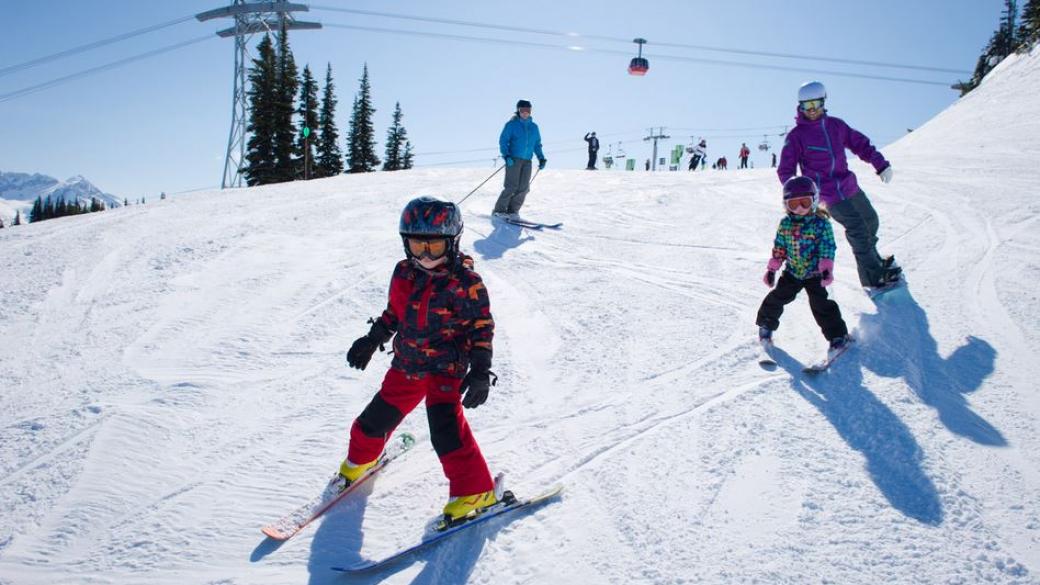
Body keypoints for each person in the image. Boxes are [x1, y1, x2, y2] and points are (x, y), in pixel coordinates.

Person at [343, 196, 499, 526]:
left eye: (434, 247)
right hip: (407, 366)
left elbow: (481, 328)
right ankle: (360, 463)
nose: (425, 256)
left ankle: (476, 492)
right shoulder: (404, 273)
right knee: (372, 422)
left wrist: (481, 370)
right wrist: (372, 340)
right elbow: (394, 314)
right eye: (417, 246)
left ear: (452, 243)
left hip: (445, 370)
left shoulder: (465, 283)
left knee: (446, 433)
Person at [778, 80, 900, 289]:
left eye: (816, 104)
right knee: (858, 229)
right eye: (807, 106)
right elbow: (785, 169)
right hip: (826, 195)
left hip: (848, 186)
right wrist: (797, 194)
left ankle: (874, 261)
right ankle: (872, 276)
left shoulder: (836, 126)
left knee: (870, 221)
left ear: (824, 102)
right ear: (800, 107)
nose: (812, 110)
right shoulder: (797, 136)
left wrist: (880, 164)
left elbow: (859, 144)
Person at [757, 176, 850, 351]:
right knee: (776, 298)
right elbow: (780, 247)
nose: (799, 209)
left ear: (814, 201)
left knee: (821, 305)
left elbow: (827, 246)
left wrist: (826, 268)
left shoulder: (821, 223)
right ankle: (766, 326)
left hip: (814, 274)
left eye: (804, 203)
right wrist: (772, 269)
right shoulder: (785, 224)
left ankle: (837, 335)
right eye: (794, 204)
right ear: (786, 205)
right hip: (792, 272)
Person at [494, 100, 546, 219]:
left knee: (524, 187)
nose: (525, 113)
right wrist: (506, 155)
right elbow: (503, 141)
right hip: (513, 159)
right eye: (522, 110)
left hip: (527, 161)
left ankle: (513, 211)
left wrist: (541, 158)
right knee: (511, 186)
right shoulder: (511, 125)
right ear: (518, 110)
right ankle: (499, 210)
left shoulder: (534, 127)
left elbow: (537, 144)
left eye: (528, 110)